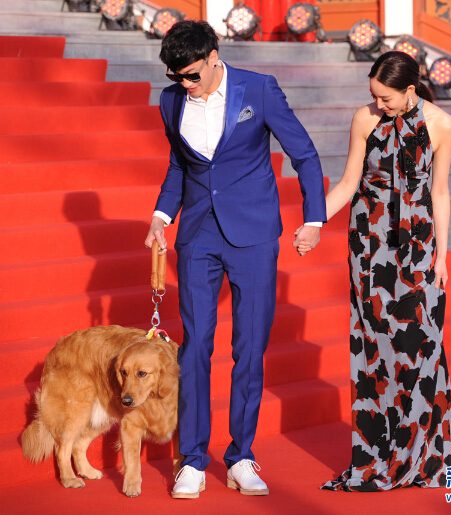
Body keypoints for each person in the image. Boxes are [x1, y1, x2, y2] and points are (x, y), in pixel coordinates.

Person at [144, 20, 326, 499]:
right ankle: (192, 460)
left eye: (192, 74)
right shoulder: (170, 100)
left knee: (249, 348)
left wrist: (313, 219)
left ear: (213, 58)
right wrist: (162, 216)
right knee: (195, 347)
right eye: (175, 76)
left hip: (254, 235)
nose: (184, 84)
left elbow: (304, 154)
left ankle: (241, 455)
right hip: (197, 235)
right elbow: (179, 165)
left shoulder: (259, 89)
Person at [305, 51, 451, 490]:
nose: (378, 104)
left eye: (386, 98)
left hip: (419, 245)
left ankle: (425, 454)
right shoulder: (364, 119)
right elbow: (348, 182)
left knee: (421, 345)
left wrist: (442, 257)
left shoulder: (443, 125)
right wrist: (314, 223)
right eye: (373, 96)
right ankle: (379, 453)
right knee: (374, 347)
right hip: (369, 244)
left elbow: (441, 192)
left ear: (410, 90)